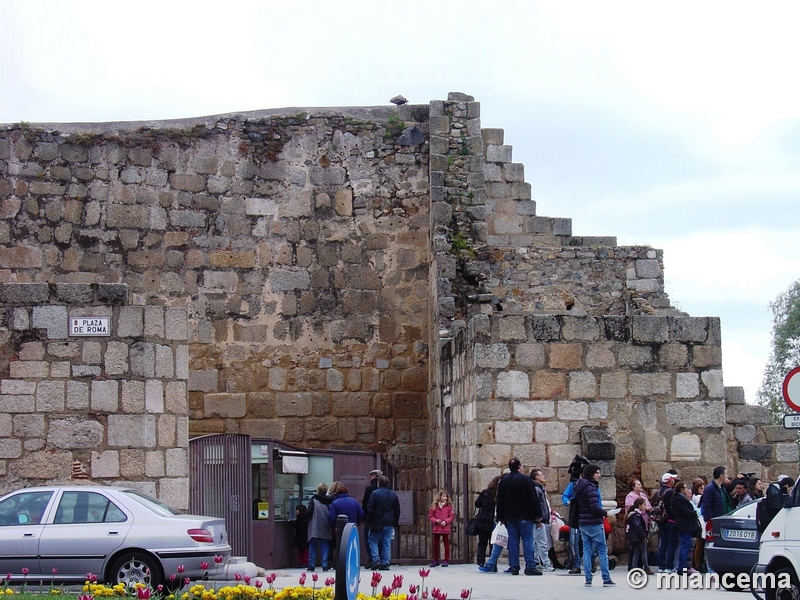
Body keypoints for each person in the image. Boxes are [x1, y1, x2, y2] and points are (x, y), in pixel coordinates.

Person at [495, 457, 542, 576]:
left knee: (513, 541)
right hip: (525, 516)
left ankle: (514, 566)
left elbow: (500, 500)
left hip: (510, 516)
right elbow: (533, 498)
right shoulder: (526, 480)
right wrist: (538, 514)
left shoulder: (504, 481)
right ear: (520, 467)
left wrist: (500, 516)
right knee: (527, 540)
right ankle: (530, 566)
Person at [574, 464, 615, 587]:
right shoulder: (591, 487)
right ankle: (606, 578)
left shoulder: (579, 486)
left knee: (587, 550)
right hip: (594, 522)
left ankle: (588, 578)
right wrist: (606, 513)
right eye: (597, 473)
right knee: (602, 550)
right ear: (591, 474)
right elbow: (594, 507)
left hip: (583, 522)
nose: (599, 475)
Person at [365, 475, 400, 570]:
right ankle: (385, 563)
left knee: (373, 540)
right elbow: (397, 510)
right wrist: (395, 522)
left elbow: (370, 508)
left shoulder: (375, 493)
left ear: (378, 483)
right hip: (389, 522)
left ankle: (376, 559)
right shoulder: (393, 494)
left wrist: (369, 519)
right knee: (386, 542)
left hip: (377, 521)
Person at [562, 454, 588, 574]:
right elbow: (565, 496)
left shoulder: (590, 485)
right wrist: (568, 502)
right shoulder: (573, 485)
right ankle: (576, 564)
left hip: (587, 515)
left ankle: (589, 563)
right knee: (574, 541)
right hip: (575, 515)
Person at [672, 481, 700, 574]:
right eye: (685, 488)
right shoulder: (679, 500)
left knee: (685, 546)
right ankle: (682, 567)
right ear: (681, 489)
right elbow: (686, 512)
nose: (687, 489)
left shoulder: (678, 499)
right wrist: (694, 513)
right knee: (685, 546)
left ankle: (683, 567)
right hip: (685, 525)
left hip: (685, 525)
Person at [653, 472, 678, 573]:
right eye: (673, 479)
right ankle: (669, 566)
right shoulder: (671, 492)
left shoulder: (657, 493)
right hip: (671, 521)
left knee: (663, 543)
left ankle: (661, 566)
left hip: (661, 521)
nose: (674, 481)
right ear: (669, 480)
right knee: (671, 544)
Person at [474, 475, 501, 567]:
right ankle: (492, 563)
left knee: (482, 542)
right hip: (494, 521)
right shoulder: (499, 495)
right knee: (492, 543)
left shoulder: (485, 492)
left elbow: (477, 504)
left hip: (483, 520)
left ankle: (480, 561)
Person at [624, 479, 651, 569]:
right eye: (638, 484)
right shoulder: (630, 496)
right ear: (633, 487)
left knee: (641, 549)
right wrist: (645, 508)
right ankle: (633, 566)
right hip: (635, 526)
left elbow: (649, 506)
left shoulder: (643, 495)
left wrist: (646, 508)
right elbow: (632, 507)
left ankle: (639, 566)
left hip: (644, 523)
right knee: (635, 548)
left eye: (640, 484)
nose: (640, 486)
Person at [530, 468, 554, 571]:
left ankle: (537, 561)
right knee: (542, 542)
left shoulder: (539, 489)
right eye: (541, 475)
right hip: (539, 519)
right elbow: (536, 505)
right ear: (536, 477)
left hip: (540, 518)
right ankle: (546, 563)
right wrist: (538, 518)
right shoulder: (536, 489)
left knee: (536, 541)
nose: (543, 476)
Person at [307, 482, 334, 571]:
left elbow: (309, 512)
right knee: (325, 545)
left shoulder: (313, 500)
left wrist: (305, 520)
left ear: (318, 490)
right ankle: (325, 564)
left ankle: (311, 564)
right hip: (326, 525)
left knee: (313, 545)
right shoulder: (330, 500)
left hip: (315, 524)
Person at [428, 490, 455, 567]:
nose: (445, 498)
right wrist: (436, 520)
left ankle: (446, 560)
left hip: (445, 527)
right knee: (435, 544)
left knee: (446, 544)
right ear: (439, 497)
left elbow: (452, 516)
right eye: (443, 496)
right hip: (437, 527)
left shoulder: (449, 507)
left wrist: (446, 522)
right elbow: (430, 516)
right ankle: (435, 560)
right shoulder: (434, 506)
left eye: (446, 496)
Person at [626, 498, 652, 575]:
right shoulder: (636, 515)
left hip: (634, 537)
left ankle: (634, 566)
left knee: (637, 551)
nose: (645, 506)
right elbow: (638, 527)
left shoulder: (634, 514)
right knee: (643, 551)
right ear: (639, 505)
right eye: (644, 504)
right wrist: (643, 537)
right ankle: (646, 567)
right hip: (638, 536)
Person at [362, 469, 382, 566]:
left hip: (371, 517)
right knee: (383, 539)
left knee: (369, 537)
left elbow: (365, 503)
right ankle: (382, 559)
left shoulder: (369, 488)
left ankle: (372, 558)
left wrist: (364, 516)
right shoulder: (385, 489)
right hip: (383, 518)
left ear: (374, 476)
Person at [691, 478, 706, 571]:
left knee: (699, 544)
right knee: (699, 544)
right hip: (700, 521)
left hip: (700, 521)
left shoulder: (696, 497)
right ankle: (697, 563)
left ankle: (696, 563)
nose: (702, 489)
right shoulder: (698, 497)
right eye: (701, 488)